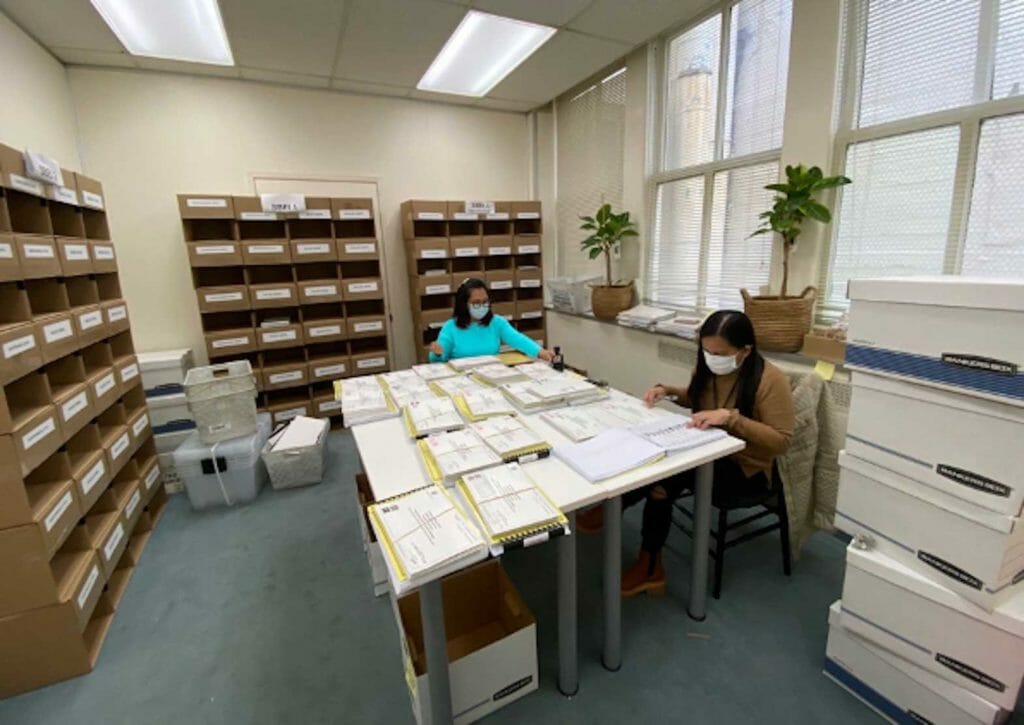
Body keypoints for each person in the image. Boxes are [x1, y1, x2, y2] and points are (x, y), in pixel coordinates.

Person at [576, 310, 794, 597]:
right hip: (706, 450)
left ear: (745, 351)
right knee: (651, 455)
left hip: (746, 469)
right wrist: (667, 391)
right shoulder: (708, 367)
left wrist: (731, 418)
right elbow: (696, 397)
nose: (711, 357)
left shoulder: (770, 379)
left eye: (720, 352)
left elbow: (781, 441)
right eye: (706, 350)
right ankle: (613, 513)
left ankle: (648, 563)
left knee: (664, 479)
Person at [428, 277, 555, 362]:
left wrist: (540, 352)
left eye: (485, 302)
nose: (482, 306)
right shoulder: (451, 327)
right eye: (476, 303)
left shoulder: (497, 322)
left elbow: (518, 339)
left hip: (492, 378)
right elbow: (437, 359)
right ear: (463, 304)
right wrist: (437, 354)